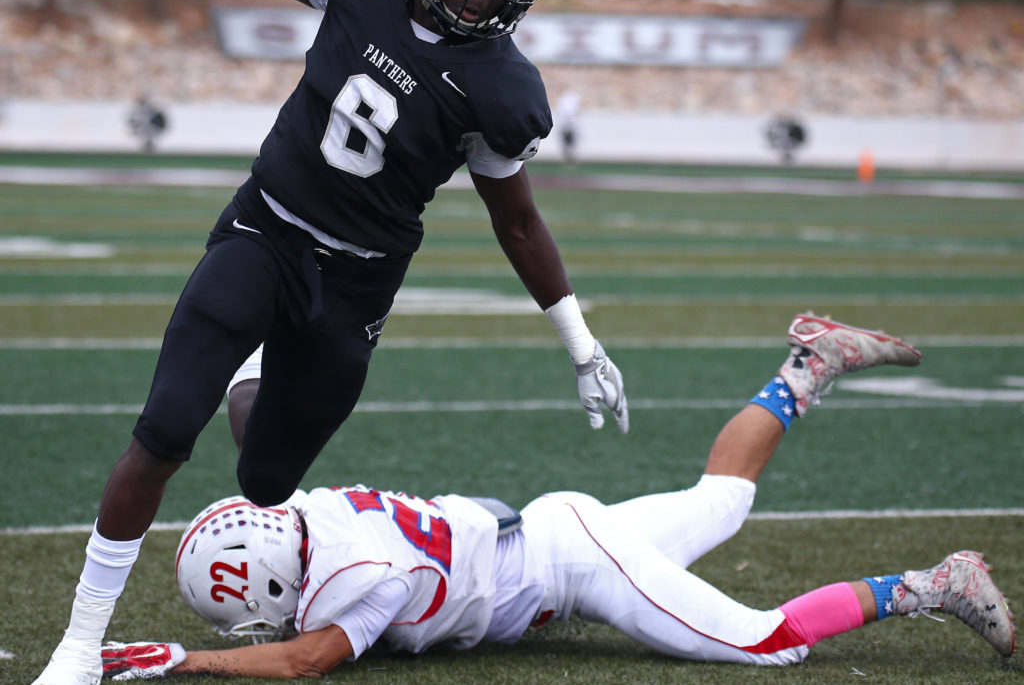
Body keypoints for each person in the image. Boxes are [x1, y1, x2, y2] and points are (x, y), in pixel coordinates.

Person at [33, 0, 628, 685]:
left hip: (355, 284)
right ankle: (77, 645)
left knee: (269, 481)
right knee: (164, 429)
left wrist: (580, 340)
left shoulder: (503, 88)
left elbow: (519, 221)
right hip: (265, 229)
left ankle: (249, 359)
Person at [97, 315, 1017, 679]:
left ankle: (933, 581)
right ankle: (809, 362)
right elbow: (259, 443)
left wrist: (184, 659)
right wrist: (245, 373)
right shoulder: (319, 512)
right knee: (722, 500)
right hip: (549, 528)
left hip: (568, 563)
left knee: (765, 641)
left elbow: (300, 661)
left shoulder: (354, 577)